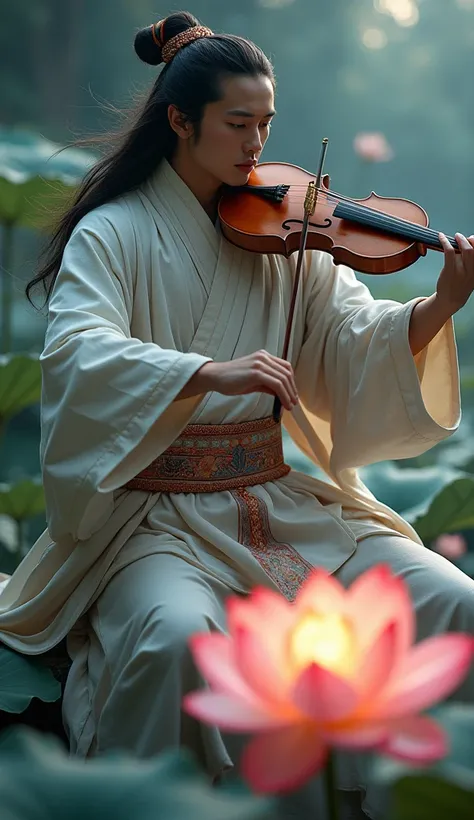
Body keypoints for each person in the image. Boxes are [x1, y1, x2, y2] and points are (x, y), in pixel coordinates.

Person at [0, 11, 473, 819]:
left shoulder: (288, 226)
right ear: (179, 121)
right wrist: (204, 372)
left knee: (449, 601)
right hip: (154, 519)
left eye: (267, 124)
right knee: (176, 641)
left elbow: (354, 336)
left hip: (283, 501)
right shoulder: (111, 235)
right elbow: (79, 350)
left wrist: (439, 306)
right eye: (237, 124)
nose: (258, 146)